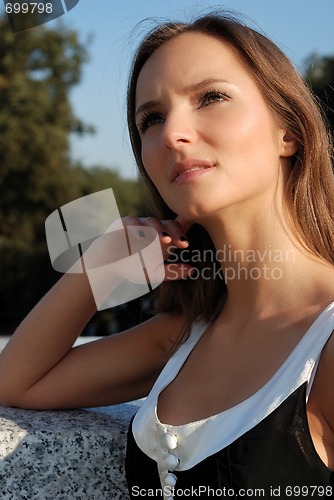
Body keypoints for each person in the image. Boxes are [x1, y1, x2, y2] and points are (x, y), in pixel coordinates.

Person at [0, 11, 334, 499]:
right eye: (150, 119)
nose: (172, 133)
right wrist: (98, 267)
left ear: (289, 131)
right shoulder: (184, 337)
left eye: (211, 97)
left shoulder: (325, 343)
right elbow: (16, 383)